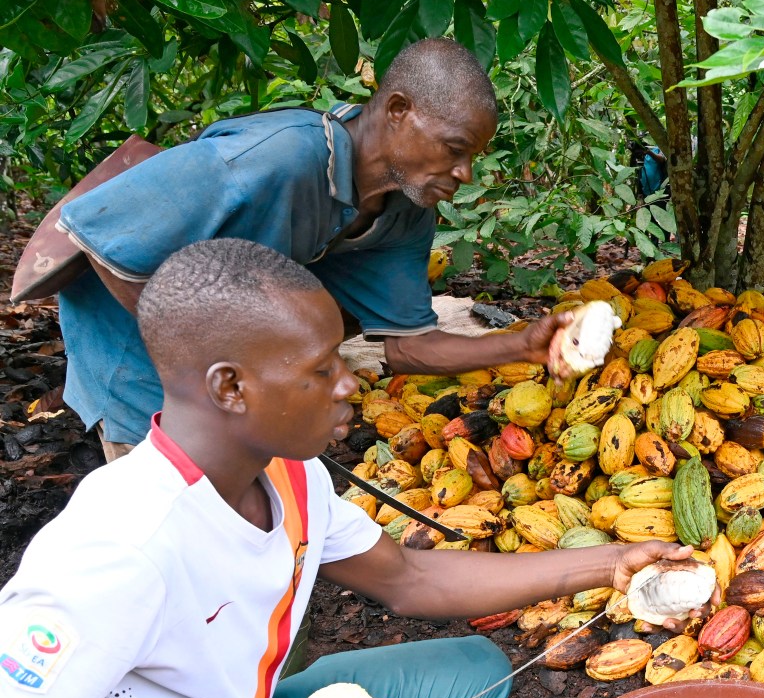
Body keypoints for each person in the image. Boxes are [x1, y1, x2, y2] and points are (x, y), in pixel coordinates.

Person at [0, 240, 698, 698]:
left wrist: (608, 562)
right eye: (320, 369)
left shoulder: (286, 472)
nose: (349, 386)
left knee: (476, 669)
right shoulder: (118, 548)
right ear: (231, 387)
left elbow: (410, 580)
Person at [55, 37, 569, 461]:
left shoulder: (405, 206)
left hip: (236, 371)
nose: (465, 175)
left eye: (473, 157)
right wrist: (212, 364)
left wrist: (523, 345)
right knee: (171, 516)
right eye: (455, 149)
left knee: (246, 515)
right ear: (397, 110)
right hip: (137, 347)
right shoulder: (278, 158)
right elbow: (100, 233)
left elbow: (407, 343)